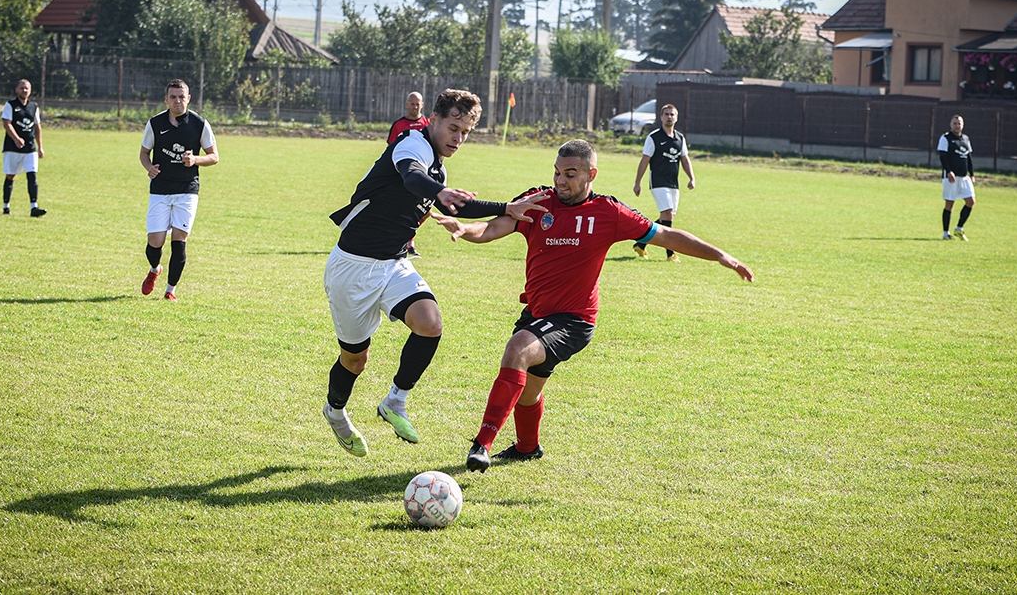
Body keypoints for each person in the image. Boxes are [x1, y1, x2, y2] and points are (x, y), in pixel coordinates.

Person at [430, 139, 754, 473]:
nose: (560, 181)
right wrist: (466, 228)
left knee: (518, 350)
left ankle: (481, 445)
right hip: (538, 313)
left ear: (591, 174)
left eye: (570, 174)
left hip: (573, 321)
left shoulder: (609, 213)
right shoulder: (539, 201)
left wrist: (720, 256)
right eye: (557, 172)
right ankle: (528, 448)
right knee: (527, 391)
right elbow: (495, 226)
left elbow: (667, 236)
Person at [321, 89, 546, 458]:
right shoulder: (412, 144)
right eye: (453, 128)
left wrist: (500, 207)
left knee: (430, 323)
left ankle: (395, 401)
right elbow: (411, 178)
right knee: (355, 360)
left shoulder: (439, 166)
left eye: (466, 133)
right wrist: (442, 194)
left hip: (393, 264)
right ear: (434, 120)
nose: (457, 138)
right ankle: (335, 411)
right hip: (352, 268)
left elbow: (448, 201)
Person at [138, 79, 219, 302]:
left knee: (179, 239)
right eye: (173, 97)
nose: (177, 101)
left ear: (189, 98)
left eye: (181, 97)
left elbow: (214, 156)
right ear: (166, 100)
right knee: (155, 242)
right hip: (160, 190)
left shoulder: (199, 124)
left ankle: (170, 290)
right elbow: (144, 153)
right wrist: (149, 168)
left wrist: (195, 160)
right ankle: (155, 269)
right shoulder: (155, 123)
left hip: (187, 190)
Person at [631, 103, 694, 262]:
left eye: (672, 114)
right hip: (658, 181)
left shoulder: (680, 138)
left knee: (668, 216)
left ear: (676, 117)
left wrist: (691, 178)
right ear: (661, 117)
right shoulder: (654, 137)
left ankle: (641, 243)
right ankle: (670, 253)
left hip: (673, 183)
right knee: (667, 213)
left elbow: (685, 159)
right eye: (666, 114)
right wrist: (637, 182)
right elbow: (645, 160)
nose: (669, 117)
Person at [388, 91, 432, 258]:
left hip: (424, 173)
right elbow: (390, 149)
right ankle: (405, 242)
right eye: (412, 104)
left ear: (422, 104)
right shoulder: (399, 125)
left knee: (425, 210)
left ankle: (407, 239)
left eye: (418, 104)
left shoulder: (427, 123)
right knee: (401, 208)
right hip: (403, 174)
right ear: (407, 104)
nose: (415, 107)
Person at [1, 79, 46, 217]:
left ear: (30, 90)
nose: (24, 90)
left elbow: (37, 127)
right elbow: (7, 123)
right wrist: (16, 138)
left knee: (32, 175)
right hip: (12, 147)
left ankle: (34, 207)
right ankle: (6, 206)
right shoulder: (10, 105)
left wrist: (40, 147)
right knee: (11, 175)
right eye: (21, 88)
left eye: (26, 88)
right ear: (16, 89)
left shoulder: (34, 107)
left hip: (30, 147)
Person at [938, 114, 975, 241]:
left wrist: (972, 174)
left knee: (971, 201)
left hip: (964, 177)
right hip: (951, 177)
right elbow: (942, 157)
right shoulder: (946, 138)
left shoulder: (965, 139)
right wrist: (949, 171)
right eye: (955, 123)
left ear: (963, 125)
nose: (957, 125)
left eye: (959, 123)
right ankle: (945, 233)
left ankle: (959, 228)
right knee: (950, 204)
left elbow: (969, 157)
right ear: (950, 124)